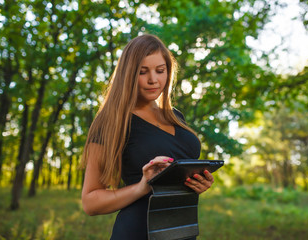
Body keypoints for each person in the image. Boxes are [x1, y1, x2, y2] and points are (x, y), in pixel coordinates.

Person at [81, 34, 215, 240]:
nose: (153, 79)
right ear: (128, 74)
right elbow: (90, 202)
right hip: (137, 232)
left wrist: (197, 183)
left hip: (181, 231)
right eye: (143, 72)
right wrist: (142, 186)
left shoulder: (175, 116)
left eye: (160, 71)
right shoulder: (111, 120)